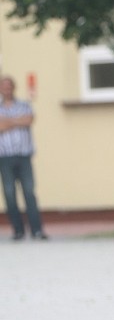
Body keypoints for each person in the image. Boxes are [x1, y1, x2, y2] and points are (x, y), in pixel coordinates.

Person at [0, 76, 47, 240]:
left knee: (29, 192)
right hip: (5, 158)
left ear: (14, 87)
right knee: (9, 193)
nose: (6, 89)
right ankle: (18, 231)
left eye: (9, 85)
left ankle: (37, 230)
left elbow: (28, 120)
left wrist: (8, 122)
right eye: (3, 86)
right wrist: (16, 121)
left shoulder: (24, 105)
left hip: (24, 156)